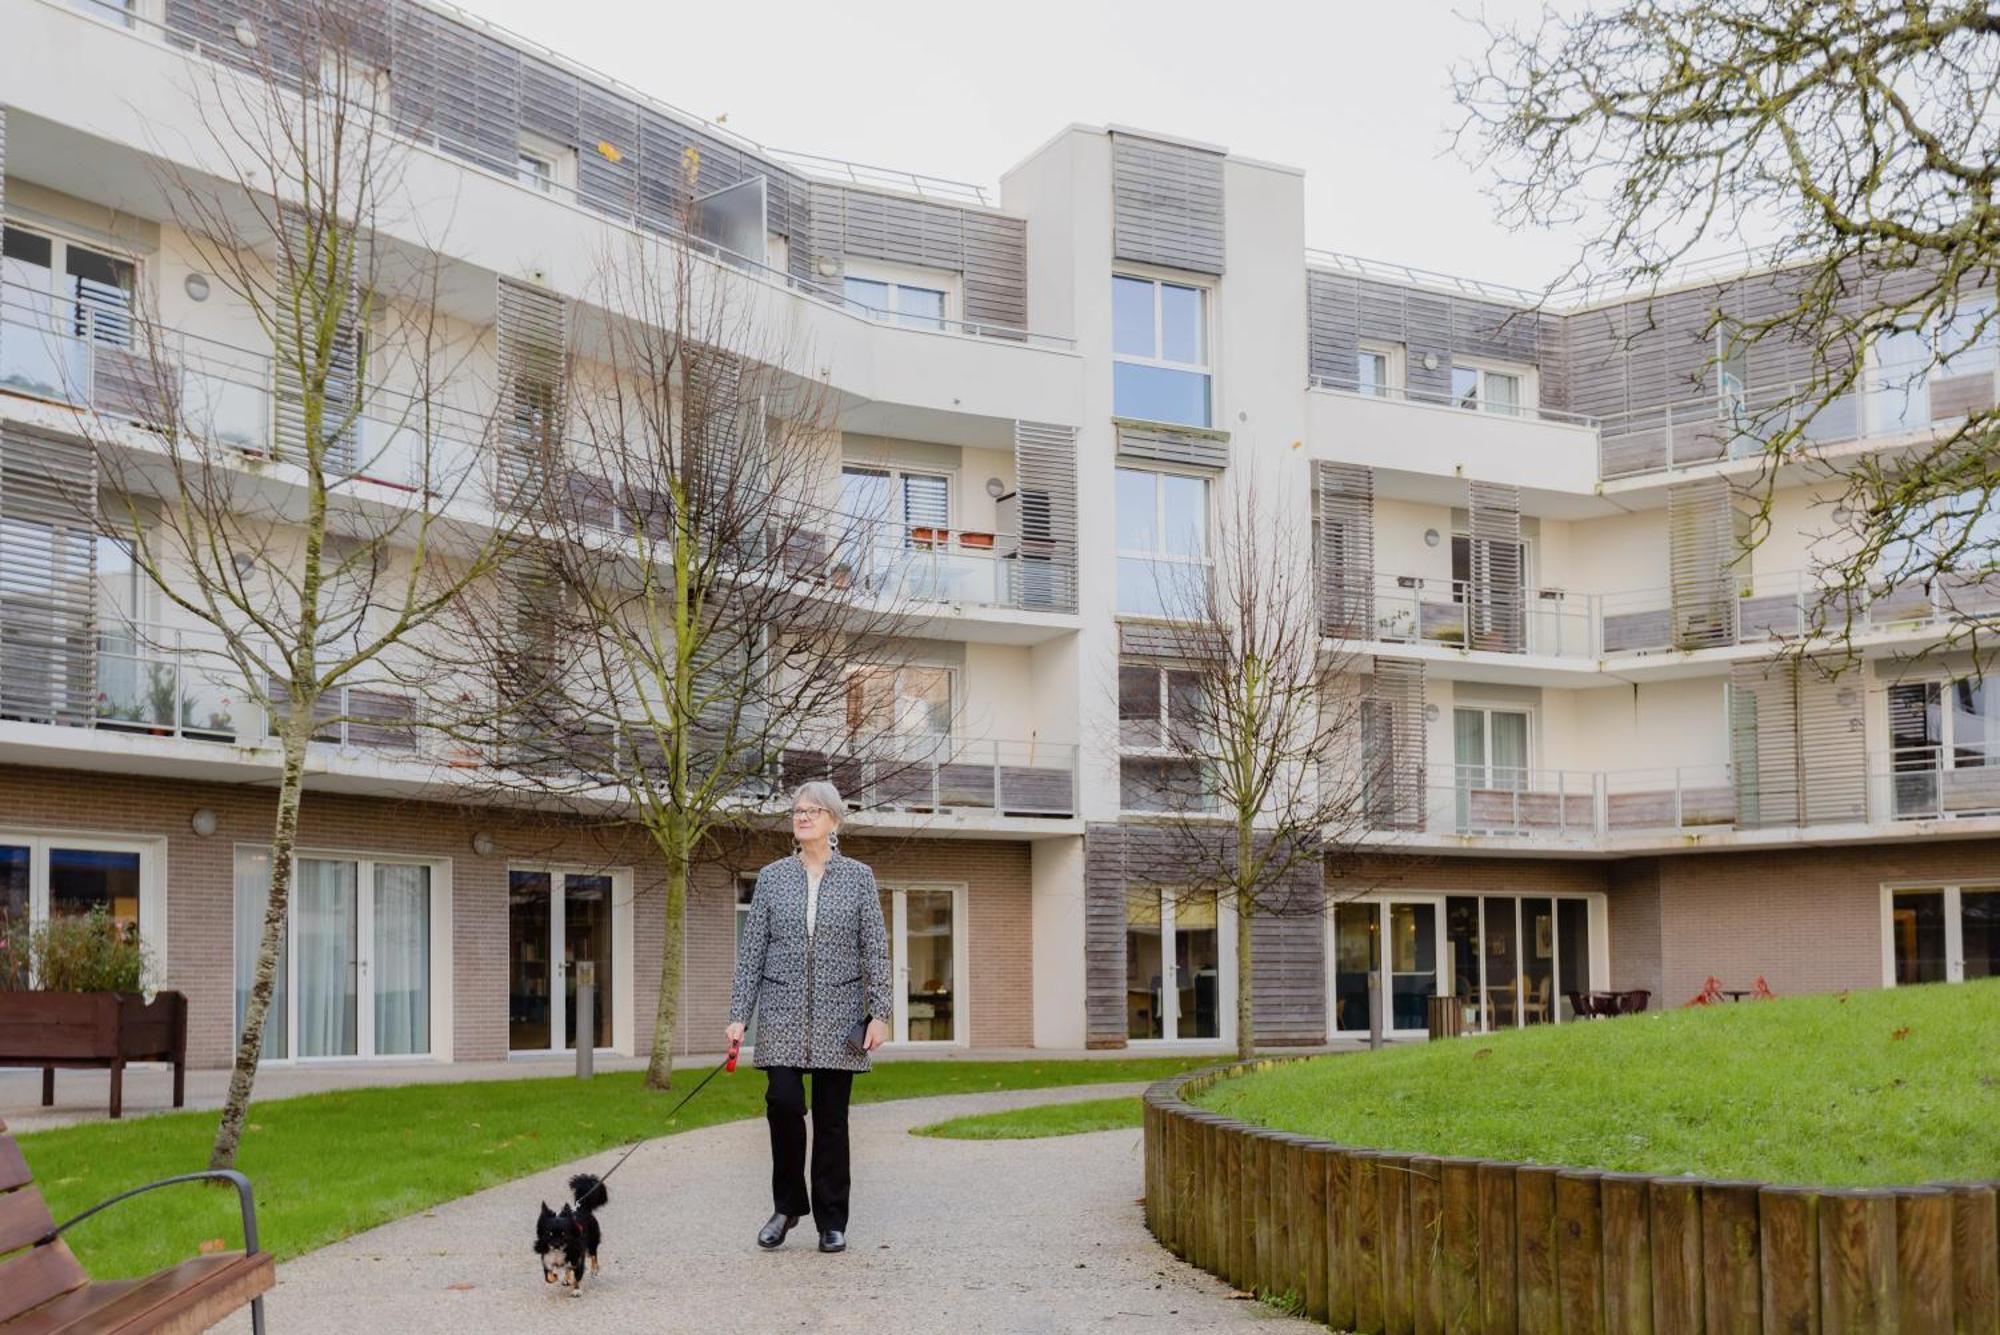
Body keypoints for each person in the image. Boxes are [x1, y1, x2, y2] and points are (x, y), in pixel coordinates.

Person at [726, 781, 891, 1254]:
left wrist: (879, 1013)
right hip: (781, 1012)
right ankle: (788, 1206)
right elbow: (752, 950)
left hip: (840, 1016)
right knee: (782, 1103)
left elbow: (875, 950)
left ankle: (831, 1221)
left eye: (813, 810)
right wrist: (739, 1015)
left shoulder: (858, 877)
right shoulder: (773, 877)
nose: (802, 817)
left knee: (832, 1121)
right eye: (797, 810)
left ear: (834, 821)